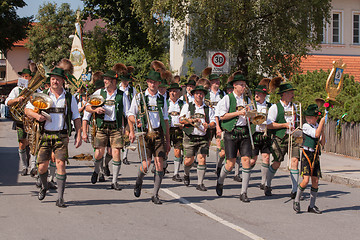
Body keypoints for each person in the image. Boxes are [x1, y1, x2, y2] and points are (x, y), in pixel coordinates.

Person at [24, 67, 82, 208]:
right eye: (52, 79)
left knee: (60, 164)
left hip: (61, 135)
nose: (55, 81)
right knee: (42, 168)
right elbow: (27, 109)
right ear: (50, 81)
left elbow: (76, 117)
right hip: (45, 135)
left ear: (63, 81)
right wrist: (37, 115)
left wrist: (79, 134)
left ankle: (60, 198)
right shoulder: (42, 95)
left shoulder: (69, 97)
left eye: (57, 79)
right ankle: (44, 186)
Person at [128, 67, 170, 204]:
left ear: (159, 84)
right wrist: (136, 123)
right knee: (146, 165)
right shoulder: (140, 97)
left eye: (155, 82)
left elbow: (165, 119)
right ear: (147, 82)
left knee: (159, 164)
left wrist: (168, 139)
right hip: (144, 133)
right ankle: (139, 180)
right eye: (150, 82)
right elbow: (130, 115)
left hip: (158, 133)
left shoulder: (162, 99)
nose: (153, 84)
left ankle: (155, 194)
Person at [85, 70, 130, 190]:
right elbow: (87, 107)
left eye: (107, 79)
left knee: (116, 153)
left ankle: (114, 181)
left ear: (114, 81)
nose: (104, 81)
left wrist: (128, 130)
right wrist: (95, 110)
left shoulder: (122, 95)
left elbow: (128, 113)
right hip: (102, 126)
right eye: (104, 79)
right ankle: (96, 171)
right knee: (98, 153)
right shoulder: (99, 92)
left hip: (115, 127)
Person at [215, 72, 253, 202]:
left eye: (244, 85)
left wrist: (251, 114)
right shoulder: (227, 98)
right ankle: (220, 180)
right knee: (230, 164)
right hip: (231, 131)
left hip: (244, 131)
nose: (243, 87)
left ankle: (244, 192)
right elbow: (222, 116)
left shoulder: (247, 99)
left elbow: (253, 116)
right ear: (235, 85)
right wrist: (239, 112)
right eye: (241, 85)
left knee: (246, 161)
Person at [265, 82, 300, 198]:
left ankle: (295, 190)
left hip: (293, 137)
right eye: (290, 93)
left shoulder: (294, 107)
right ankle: (267, 183)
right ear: (284, 94)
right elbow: (269, 125)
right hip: (280, 137)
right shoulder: (275, 108)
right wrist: (284, 125)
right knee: (276, 163)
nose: (292, 95)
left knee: (294, 161)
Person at [179, 85, 215, 191]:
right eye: (197, 93)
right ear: (194, 95)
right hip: (190, 136)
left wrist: (208, 125)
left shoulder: (208, 109)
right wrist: (191, 121)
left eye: (201, 93)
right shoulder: (187, 106)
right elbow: (181, 119)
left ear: (204, 95)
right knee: (188, 160)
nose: (199, 95)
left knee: (202, 159)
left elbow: (213, 122)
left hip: (203, 136)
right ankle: (186, 173)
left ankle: (200, 183)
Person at [293, 104, 325, 214]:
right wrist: (321, 124)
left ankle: (312, 205)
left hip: (315, 156)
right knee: (306, 180)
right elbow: (315, 135)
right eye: (307, 117)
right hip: (307, 154)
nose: (308, 119)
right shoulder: (306, 126)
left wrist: (323, 129)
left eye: (311, 117)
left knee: (315, 181)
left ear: (316, 118)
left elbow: (322, 142)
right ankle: (297, 200)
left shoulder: (318, 126)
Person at [5, 68, 32, 176]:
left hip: (31, 120)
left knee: (31, 143)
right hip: (20, 120)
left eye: (27, 76)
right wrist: (17, 100)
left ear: (30, 78)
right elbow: (7, 101)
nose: (25, 78)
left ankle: (33, 166)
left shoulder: (35, 89)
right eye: (23, 76)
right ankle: (25, 166)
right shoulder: (16, 90)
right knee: (22, 143)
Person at [114, 64, 138, 165]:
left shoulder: (133, 90)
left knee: (128, 134)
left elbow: (136, 101)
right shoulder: (117, 88)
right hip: (119, 114)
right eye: (124, 80)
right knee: (119, 134)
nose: (125, 82)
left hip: (129, 114)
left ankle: (125, 156)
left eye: (127, 80)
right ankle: (118, 153)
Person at [250, 84, 272, 190]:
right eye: (256, 93)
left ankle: (263, 182)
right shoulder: (251, 105)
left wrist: (265, 121)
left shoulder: (270, 106)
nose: (256, 95)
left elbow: (272, 120)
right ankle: (246, 175)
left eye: (259, 93)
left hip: (265, 134)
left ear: (264, 95)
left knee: (266, 158)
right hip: (255, 134)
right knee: (252, 160)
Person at [167, 83, 185, 182]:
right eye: (171, 91)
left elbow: (186, 116)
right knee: (166, 150)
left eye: (175, 91)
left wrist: (184, 124)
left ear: (179, 93)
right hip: (168, 129)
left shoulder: (183, 104)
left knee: (177, 151)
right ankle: (163, 166)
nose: (173, 93)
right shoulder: (165, 102)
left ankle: (176, 173)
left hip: (178, 130)